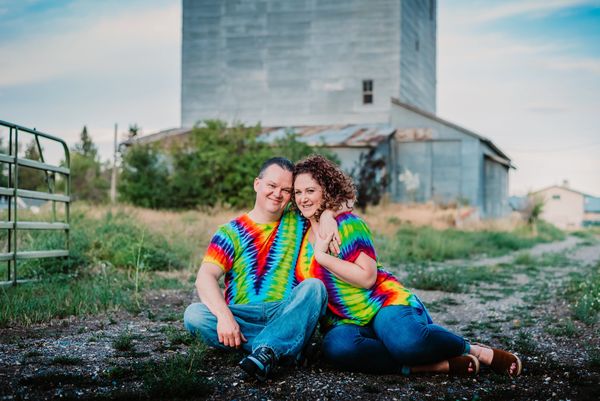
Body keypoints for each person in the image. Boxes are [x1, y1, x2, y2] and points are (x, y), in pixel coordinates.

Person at [293, 154, 522, 377]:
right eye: (298, 192)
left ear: (326, 191)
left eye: (310, 190)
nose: (303, 198)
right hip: (344, 322)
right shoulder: (299, 237)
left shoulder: (347, 225)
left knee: (407, 344)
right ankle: (430, 367)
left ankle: (473, 350)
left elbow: (366, 278)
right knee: (337, 349)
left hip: (382, 303)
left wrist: (322, 257)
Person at [184, 157, 341, 381]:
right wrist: (224, 316)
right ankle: (282, 348)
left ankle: (267, 349)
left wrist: (328, 214)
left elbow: (342, 197)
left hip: (286, 309)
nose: (277, 194)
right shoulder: (231, 231)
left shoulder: (298, 219)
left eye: (286, 190)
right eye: (272, 185)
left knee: (314, 288)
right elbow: (205, 277)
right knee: (194, 315)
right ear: (257, 184)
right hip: (243, 315)